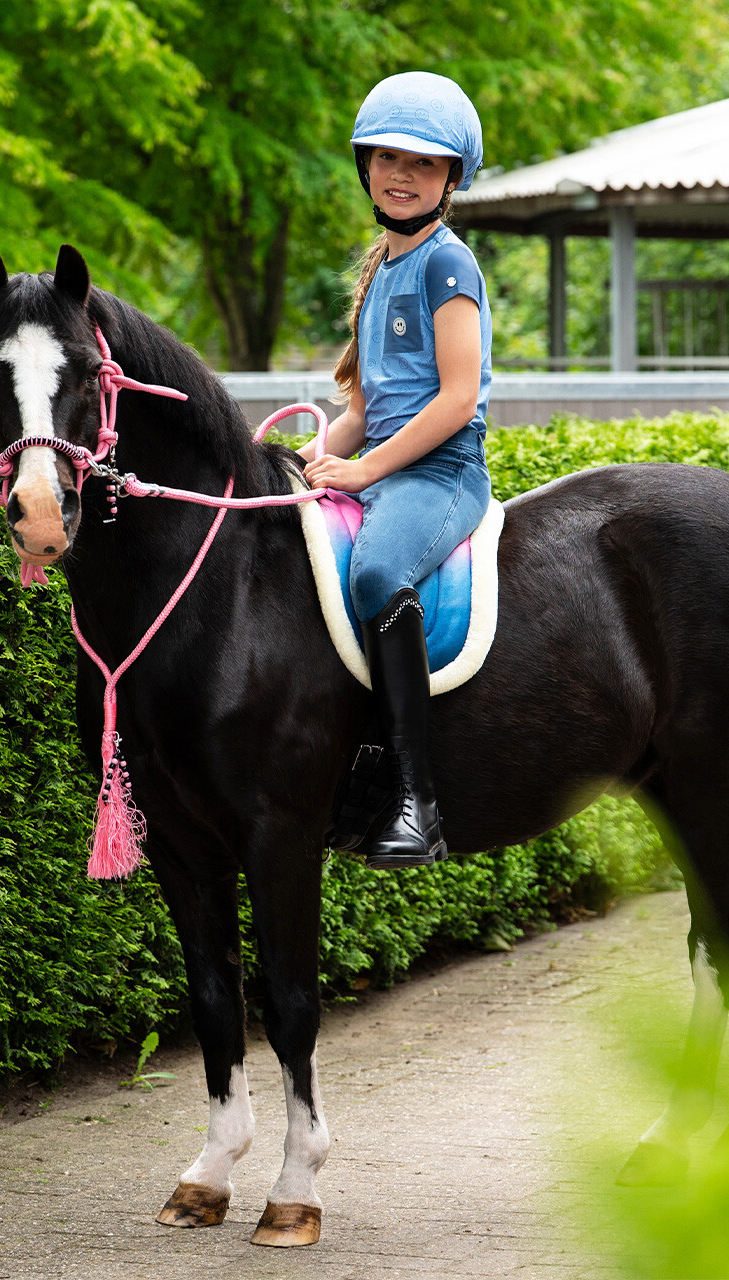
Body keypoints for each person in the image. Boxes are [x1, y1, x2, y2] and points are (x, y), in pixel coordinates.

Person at [300, 71, 492, 871]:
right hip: (384, 468)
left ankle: (418, 800)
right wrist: (322, 458)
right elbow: (363, 402)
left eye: (423, 163)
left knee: (379, 571)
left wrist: (365, 467)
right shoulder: (380, 263)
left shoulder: (450, 267)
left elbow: (452, 401)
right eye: (386, 157)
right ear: (364, 167)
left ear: (452, 178)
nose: (401, 174)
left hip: (441, 474)